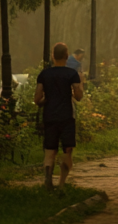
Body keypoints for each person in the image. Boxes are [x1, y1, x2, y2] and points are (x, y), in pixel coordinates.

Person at [35, 42, 84, 191]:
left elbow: (37, 99)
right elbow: (79, 96)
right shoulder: (72, 74)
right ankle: (62, 184)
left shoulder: (44, 74)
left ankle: (48, 180)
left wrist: (47, 101)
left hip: (50, 116)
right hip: (67, 116)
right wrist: (79, 83)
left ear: (52, 56)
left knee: (50, 150)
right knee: (67, 150)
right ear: (66, 56)